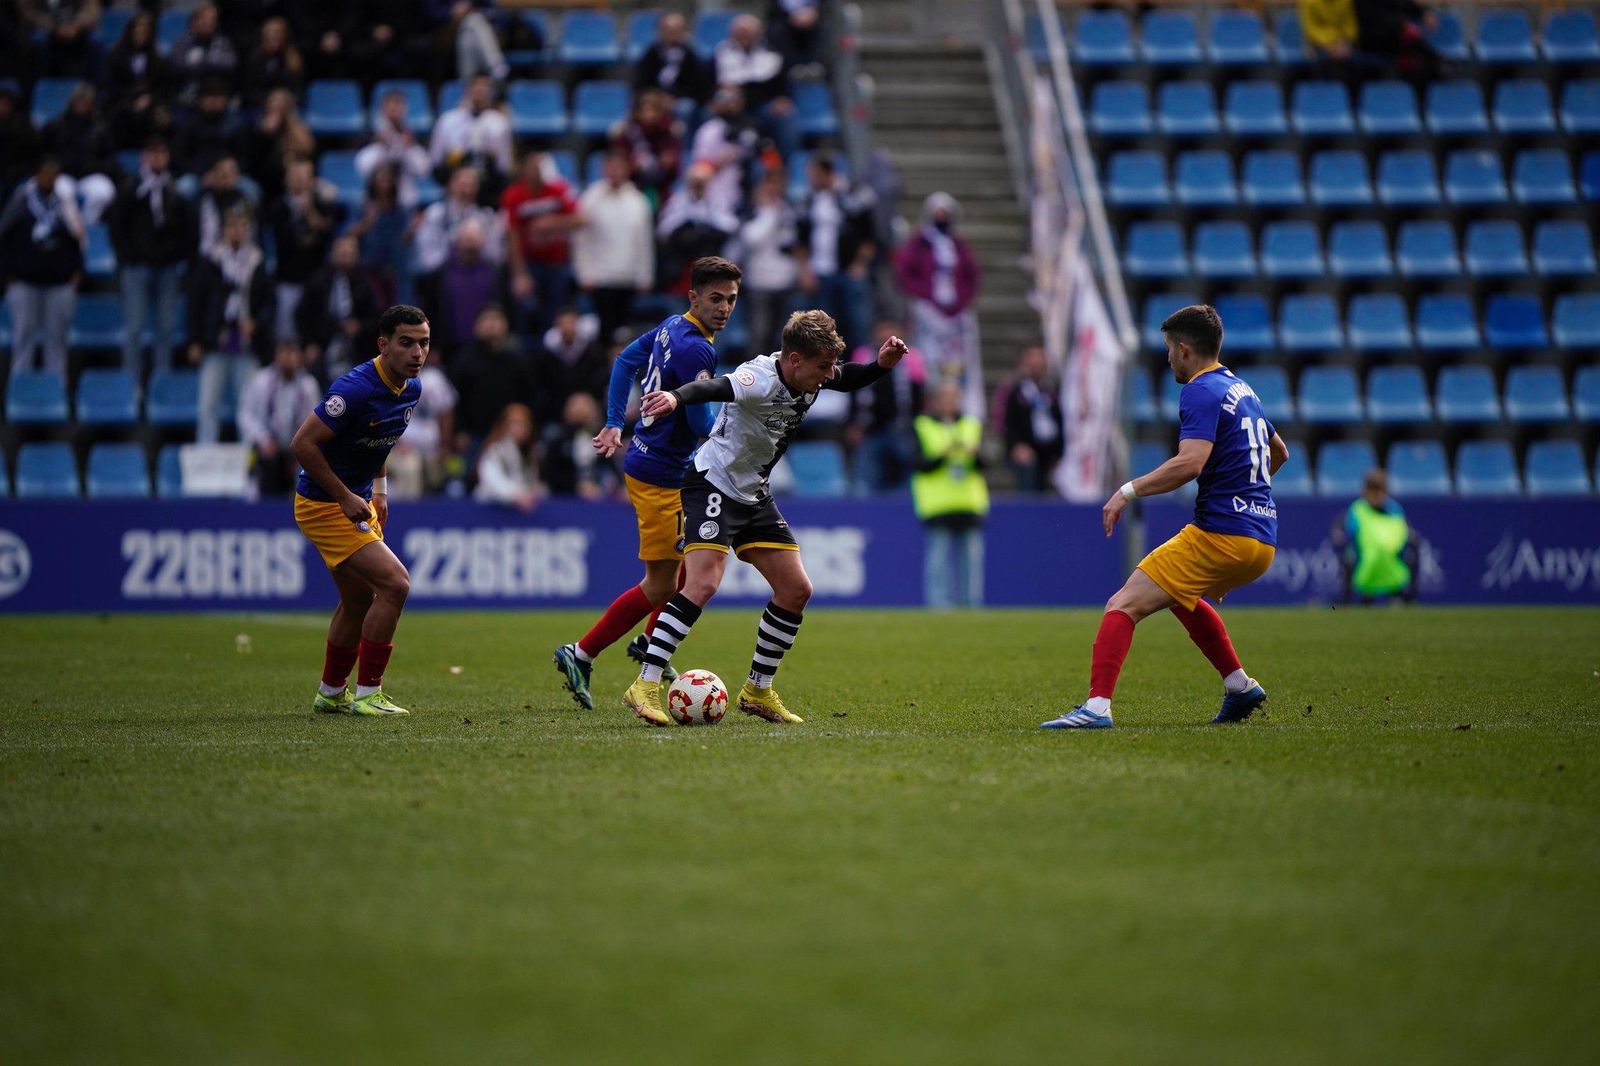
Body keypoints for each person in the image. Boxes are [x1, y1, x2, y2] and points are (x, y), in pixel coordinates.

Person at [624, 310, 907, 727]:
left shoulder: (814, 375)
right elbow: (713, 387)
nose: (829, 375)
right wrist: (676, 397)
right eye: (822, 366)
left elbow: (848, 378)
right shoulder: (758, 379)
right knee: (702, 582)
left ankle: (757, 690)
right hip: (712, 484)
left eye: (831, 365)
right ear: (794, 359)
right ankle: (645, 684)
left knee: (795, 590)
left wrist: (881, 366)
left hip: (753, 493)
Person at [1041, 305, 1287, 730]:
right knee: (1177, 594)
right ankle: (1240, 686)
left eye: (1170, 349)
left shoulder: (1199, 390)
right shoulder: (1244, 390)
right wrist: (1245, 504)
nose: (1168, 358)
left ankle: (1096, 707)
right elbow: (1279, 453)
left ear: (1186, 350)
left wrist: (1126, 491)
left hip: (1223, 533)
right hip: (1261, 537)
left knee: (1123, 604)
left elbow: (1189, 464)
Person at [551, 256, 743, 717]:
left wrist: (616, 421)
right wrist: (733, 423)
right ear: (694, 296)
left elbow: (624, 362)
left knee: (686, 569)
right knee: (661, 586)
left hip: (656, 465)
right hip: (661, 475)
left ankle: (649, 643)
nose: (724, 308)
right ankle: (582, 654)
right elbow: (699, 421)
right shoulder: (699, 350)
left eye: (732, 299)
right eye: (715, 298)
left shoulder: (671, 326)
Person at [290, 304, 431, 717]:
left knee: (358, 601)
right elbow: (302, 444)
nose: (416, 353)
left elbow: (379, 440)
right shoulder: (354, 390)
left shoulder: (412, 388)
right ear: (383, 344)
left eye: (423, 343)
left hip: (356, 499)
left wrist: (380, 491)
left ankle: (331, 692)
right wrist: (344, 497)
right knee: (395, 584)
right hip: (324, 505)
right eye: (406, 343)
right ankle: (370, 693)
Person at [107, 136, 191, 380]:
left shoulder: (174, 190)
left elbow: (185, 228)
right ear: (144, 157)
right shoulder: (130, 187)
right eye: (152, 153)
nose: (157, 158)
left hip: (167, 268)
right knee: (134, 328)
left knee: (165, 329)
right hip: (137, 267)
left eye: (162, 153)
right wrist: (127, 258)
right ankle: (131, 384)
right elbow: (116, 226)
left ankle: (161, 383)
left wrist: (177, 256)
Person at [189, 206, 273, 443]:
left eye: (242, 226)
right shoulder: (211, 261)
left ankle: (248, 460)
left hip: (247, 342)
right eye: (232, 226)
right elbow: (197, 303)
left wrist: (256, 323)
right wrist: (195, 340)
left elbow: (268, 303)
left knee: (247, 406)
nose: (237, 231)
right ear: (224, 230)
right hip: (215, 340)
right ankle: (205, 458)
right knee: (208, 404)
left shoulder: (257, 261)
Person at [894, 192, 982, 417]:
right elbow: (904, 273)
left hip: (956, 314)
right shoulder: (920, 243)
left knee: (959, 363)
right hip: (928, 312)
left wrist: (961, 300)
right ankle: (930, 404)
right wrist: (925, 296)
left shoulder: (958, 244)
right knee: (928, 360)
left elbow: (973, 274)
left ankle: (961, 406)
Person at [1, 157, 84, 381]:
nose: (49, 178)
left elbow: (78, 240)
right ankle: (20, 394)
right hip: (24, 282)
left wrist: (77, 270)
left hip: (59, 284)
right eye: (45, 173)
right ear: (36, 176)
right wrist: (7, 274)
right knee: (23, 339)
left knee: (56, 342)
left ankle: (55, 393)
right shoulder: (21, 203)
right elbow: (4, 236)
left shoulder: (64, 205)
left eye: (53, 174)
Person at [913, 380, 989, 609]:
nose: (949, 403)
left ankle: (971, 604)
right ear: (936, 401)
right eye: (944, 398)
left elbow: (984, 464)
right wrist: (943, 455)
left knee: (971, 560)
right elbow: (918, 463)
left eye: (953, 398)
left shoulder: (971, 424)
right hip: (938, 503)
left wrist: (974, 454)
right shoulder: (923, 425)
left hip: (968, 502)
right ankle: (939, 604)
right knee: (939, 559)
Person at [795, 151, 876, 356]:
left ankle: (861, 371)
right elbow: (800, 238)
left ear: (827, 173)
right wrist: (804, 270)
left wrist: (860, 264)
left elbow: (869, 235)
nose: (810, 179)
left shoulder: (855, 196)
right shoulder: (810, 200)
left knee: (858, 324)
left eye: (814, 174)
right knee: (824, 329)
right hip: (820, 272)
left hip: (848, 271)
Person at [572, 150, 655, 344]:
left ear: (627, 170)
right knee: (604, 332)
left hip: (628, 277)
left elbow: (644, 241)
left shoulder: (638, 201)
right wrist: (585, 273)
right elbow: (581, 240)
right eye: (611, 166)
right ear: (604, 168)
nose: (615, 171)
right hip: (600, 278)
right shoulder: (590, 198)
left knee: (624, 333)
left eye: (620, 167)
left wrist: (645, 275)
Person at [501, 151, 581, 335]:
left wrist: (553, 222)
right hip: (530, 264)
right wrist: (519, 273)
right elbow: (512, 236)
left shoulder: (558, 190)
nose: (535, 172)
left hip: (557, 263)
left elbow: (580, 219)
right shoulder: (514, 195)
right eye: (532, 167)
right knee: (526, 312)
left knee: (556, 312)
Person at [266, 156, 342, 342]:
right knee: (287, 335)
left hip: (318, 279)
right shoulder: (278, 207)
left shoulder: (322, 205)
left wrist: (309, 211)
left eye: (304, 175)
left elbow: (327, 233)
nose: (299, 179)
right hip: (289, 279)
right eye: (295, 175)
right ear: (286, 179)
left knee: (317, 333)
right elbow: (291, 240)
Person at [846, 319, 925, 493]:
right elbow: (853, 392)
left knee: (907, 474)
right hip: (869, 428)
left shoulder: (912, 358)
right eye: (882, 330)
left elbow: (919, 397)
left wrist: (915, 425)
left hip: (901, 427)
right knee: (866, 478)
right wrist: (853, 423)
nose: (886, 334)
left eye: (891, 329)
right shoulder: (863, 355)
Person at [237, 339, 322, 494]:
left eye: (293, 353)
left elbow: (315, 421)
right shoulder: (260, 380)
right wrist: (263, 439)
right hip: (266, 445)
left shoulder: (308, 385)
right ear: (276, 356)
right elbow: (246, 415)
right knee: (267, 463)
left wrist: (300, 445)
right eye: (284, 352)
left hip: (296, 445)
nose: (288, 358)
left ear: (300, 357)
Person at [295, 234, 379, 382]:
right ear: (333, 253)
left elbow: (375, 318)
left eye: (350, 252)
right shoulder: (318, 280)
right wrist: (308, 344)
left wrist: (359, 326)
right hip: (323, 343)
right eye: (342, 251)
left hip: (356, 346)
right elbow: (302, 315)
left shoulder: (365, 283)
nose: (345, 255)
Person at [736, 167, 799, 356]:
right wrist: (770, 214)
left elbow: (792, 242)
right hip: (760, 281)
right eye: (771, 184)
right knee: (759, 332)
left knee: (785, 334)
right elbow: (751, 239)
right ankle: (753, 378)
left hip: (785, 279)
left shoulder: (789, 209)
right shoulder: (753, 210)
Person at [1333, 469, 1417, 604]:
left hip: (1392, 562)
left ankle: (1403, 599)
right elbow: (1345, 532)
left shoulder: (1395, 510)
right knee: (1347, 557)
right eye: (1371, 491)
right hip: (1362, 563)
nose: (1375, 496)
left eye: (1378, 491)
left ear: (1385, 492)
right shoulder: (1357, 510)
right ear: (1365, 492)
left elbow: (1404, 533)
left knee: (1412, 553)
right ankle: (1350, 602)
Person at [38, 83, 118, 224]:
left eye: (86, 102)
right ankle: (70, 229)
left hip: (90, 175)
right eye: (79, 101)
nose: (82, 105)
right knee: (60, 191)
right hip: (64, 175)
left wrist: (95, 167)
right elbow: (45, 152)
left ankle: (88, 225)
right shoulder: (57, 125)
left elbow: (109, 157)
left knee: (104, 191)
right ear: (72, 102)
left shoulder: (101, 128)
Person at [430, 73, 512, 197]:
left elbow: (503, 167)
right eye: (476, 86)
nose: (480, 91)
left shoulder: (499, 122)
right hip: (454, 185)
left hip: (488, 187)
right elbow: (436, 162)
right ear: (467, 89)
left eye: (485, 87)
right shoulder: (447, 121)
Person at [413, 165, 505, 275]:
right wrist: (456, 251)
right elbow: (427, 257)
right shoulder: (435, 214)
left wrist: (474, 251)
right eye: (462, 185)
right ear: (450, 186)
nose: (466, 190)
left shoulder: (486, 217)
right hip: (442, 274)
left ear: (477, 188)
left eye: (471, 185)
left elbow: (496, 256)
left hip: (479, 272)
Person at [997, 345, 1063, 492]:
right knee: (1028, 468)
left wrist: (1060, 452)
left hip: (1049, 451)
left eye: (1040, 361)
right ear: (1023, 363)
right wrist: (1016, 445)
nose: (1037, 365)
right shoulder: (1012, 389)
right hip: (1023, 449)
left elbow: (1060, 421)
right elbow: (1002, 422)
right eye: (1032, 361)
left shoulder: (1051, 390)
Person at [356, 89, 435, 210]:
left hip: (405, 198)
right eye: (390, 105)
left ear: (405, 109)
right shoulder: (371, 134)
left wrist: (410, 148)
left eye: (398, 105)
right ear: (382, 108)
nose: (394, 110)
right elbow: (362, 168)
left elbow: (423, 170)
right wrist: (379, 146)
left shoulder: (412, 136)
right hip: (376, 199)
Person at [473, 402, 543, 511]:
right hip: (491, 510)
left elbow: (529, 481)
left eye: (523, 424)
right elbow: (492, 478)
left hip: (518, 512)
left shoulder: (530, 453)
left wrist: (534, 491)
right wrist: (515, 495)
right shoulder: (496, 449)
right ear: (504, 425)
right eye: (514, 423)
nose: (519, 428)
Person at [633, 12, 713, 106]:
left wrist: (675, 97)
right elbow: (642, 81)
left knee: (685, 107)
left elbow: (697, 86)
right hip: (655, 96)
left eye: (675, 31)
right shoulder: (651, 53)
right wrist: (657, 96)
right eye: (667, 30)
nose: (671, 34)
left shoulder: (690, 55)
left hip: (681, 98)